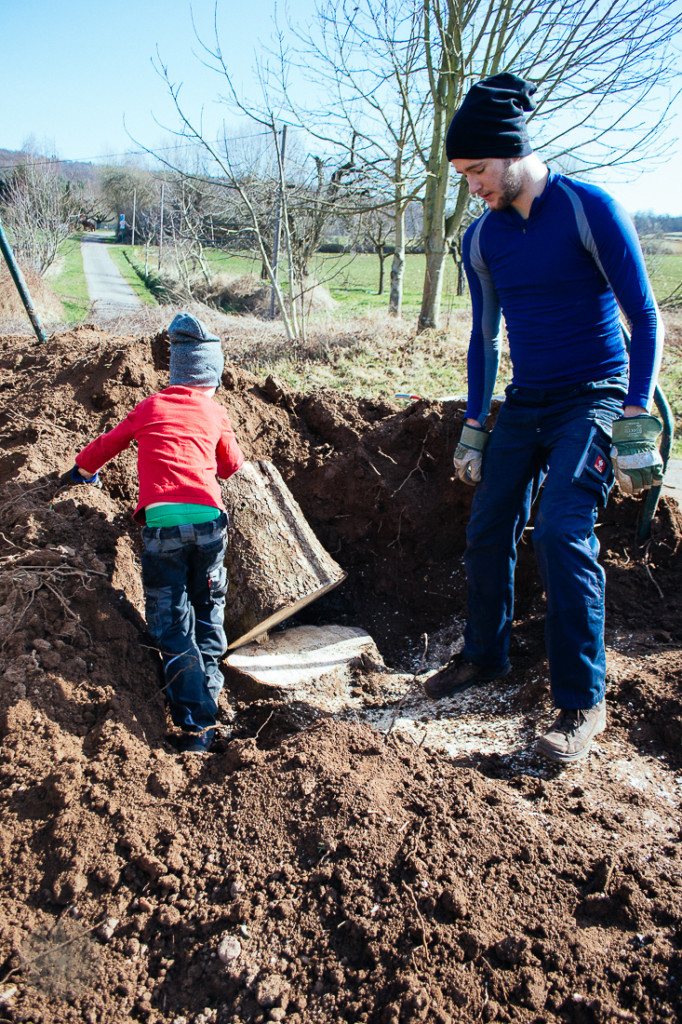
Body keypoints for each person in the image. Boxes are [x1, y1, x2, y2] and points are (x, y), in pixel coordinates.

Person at [424, 73, 665, 763]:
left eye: (476, 170)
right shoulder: (482, 241)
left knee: (560, 529)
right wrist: (475, 421)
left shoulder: (589, 209)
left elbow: (644, 317)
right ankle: (485, 655)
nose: (472, 185)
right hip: (527, 401)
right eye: (464, 174)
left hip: (593, 394)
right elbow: (484, 338)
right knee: (488, 522)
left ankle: (581, 702)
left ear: (513, 152)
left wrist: (635, 416)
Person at [71, 313, 244, 754]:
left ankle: (197, 722)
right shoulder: (215, 411)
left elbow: (106, 445)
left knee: (170, 625)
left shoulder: (150, 407)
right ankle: (209, 700)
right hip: (209, 527)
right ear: (211, 378)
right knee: (208, 609)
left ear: (176, 373)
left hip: (163, 531)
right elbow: (232, 466)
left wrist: (83, 471)